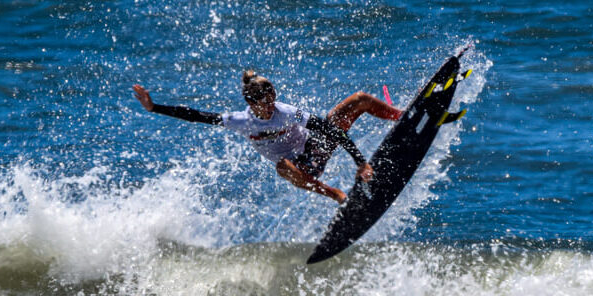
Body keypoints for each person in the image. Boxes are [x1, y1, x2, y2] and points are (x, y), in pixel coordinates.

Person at [132, 71, 403, 204]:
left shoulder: (287, 112)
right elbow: (196, 115)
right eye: (266, 102)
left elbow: (328, 130)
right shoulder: (240, 121)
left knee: (359, 100)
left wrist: (360, 162)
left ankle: (403, 116)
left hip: (315, 148)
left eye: (273, 98)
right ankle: (337, 195)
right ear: (251, 104)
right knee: (282, 167)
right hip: (301, 169)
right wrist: (154, 107)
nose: (272, 105)